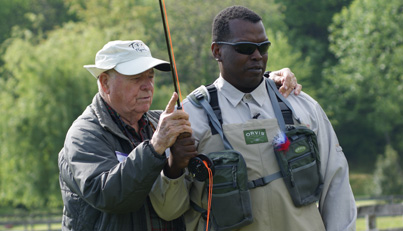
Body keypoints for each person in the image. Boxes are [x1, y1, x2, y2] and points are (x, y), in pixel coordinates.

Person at [150, 6, 357, 231]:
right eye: (246, 48)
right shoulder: (191, 116)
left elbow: (336, 184)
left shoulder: (301, 104)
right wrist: (173, 168)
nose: (257, 55)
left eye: (263, 47)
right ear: (217, 51)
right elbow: (168, 210)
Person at [58, 39, 298, 230]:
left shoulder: (158, 121)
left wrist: (264, 81)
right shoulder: (84, 135)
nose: (147, 85)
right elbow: (109, 196)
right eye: (135, 78)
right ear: (104, 82)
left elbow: (220, 105)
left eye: (150, 76)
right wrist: (155, 148)